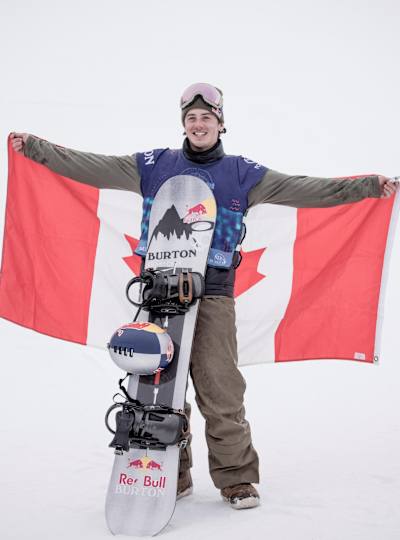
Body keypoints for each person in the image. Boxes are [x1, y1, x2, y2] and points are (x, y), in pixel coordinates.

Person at [10, 82, 398, 510]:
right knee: (157, 387)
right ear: (184, 123)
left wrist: (367, 187)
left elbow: (304, 188)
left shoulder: (242, 173)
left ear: (220, 123)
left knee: (220, 389)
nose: (198, 124)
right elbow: (91, 166)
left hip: (212, 294)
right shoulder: (154, 165)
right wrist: (37, 149)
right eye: (191, 118)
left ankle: (236, 480)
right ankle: (170, 476)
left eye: (206, 118)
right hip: (158, 293)